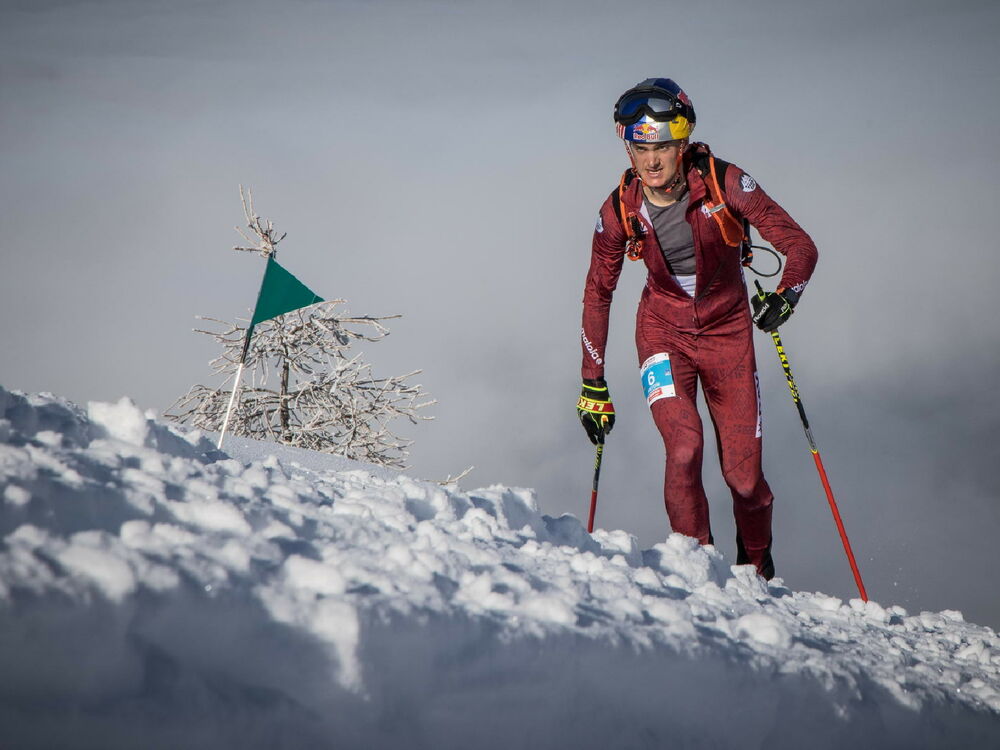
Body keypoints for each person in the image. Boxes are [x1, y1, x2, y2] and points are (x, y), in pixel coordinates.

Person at [576, 78, 818, 579]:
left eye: (661, 145)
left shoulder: (726, 182)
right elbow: (599, 291)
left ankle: (756, 569)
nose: (650, 160)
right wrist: (592, 384)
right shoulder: (619, 208)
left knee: (744, 478)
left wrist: (786, 295)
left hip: (728, 335)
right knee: (684, 448)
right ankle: (698, 569)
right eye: (638, 147)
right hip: (662, 334)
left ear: (682, 142)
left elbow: (800, 245)